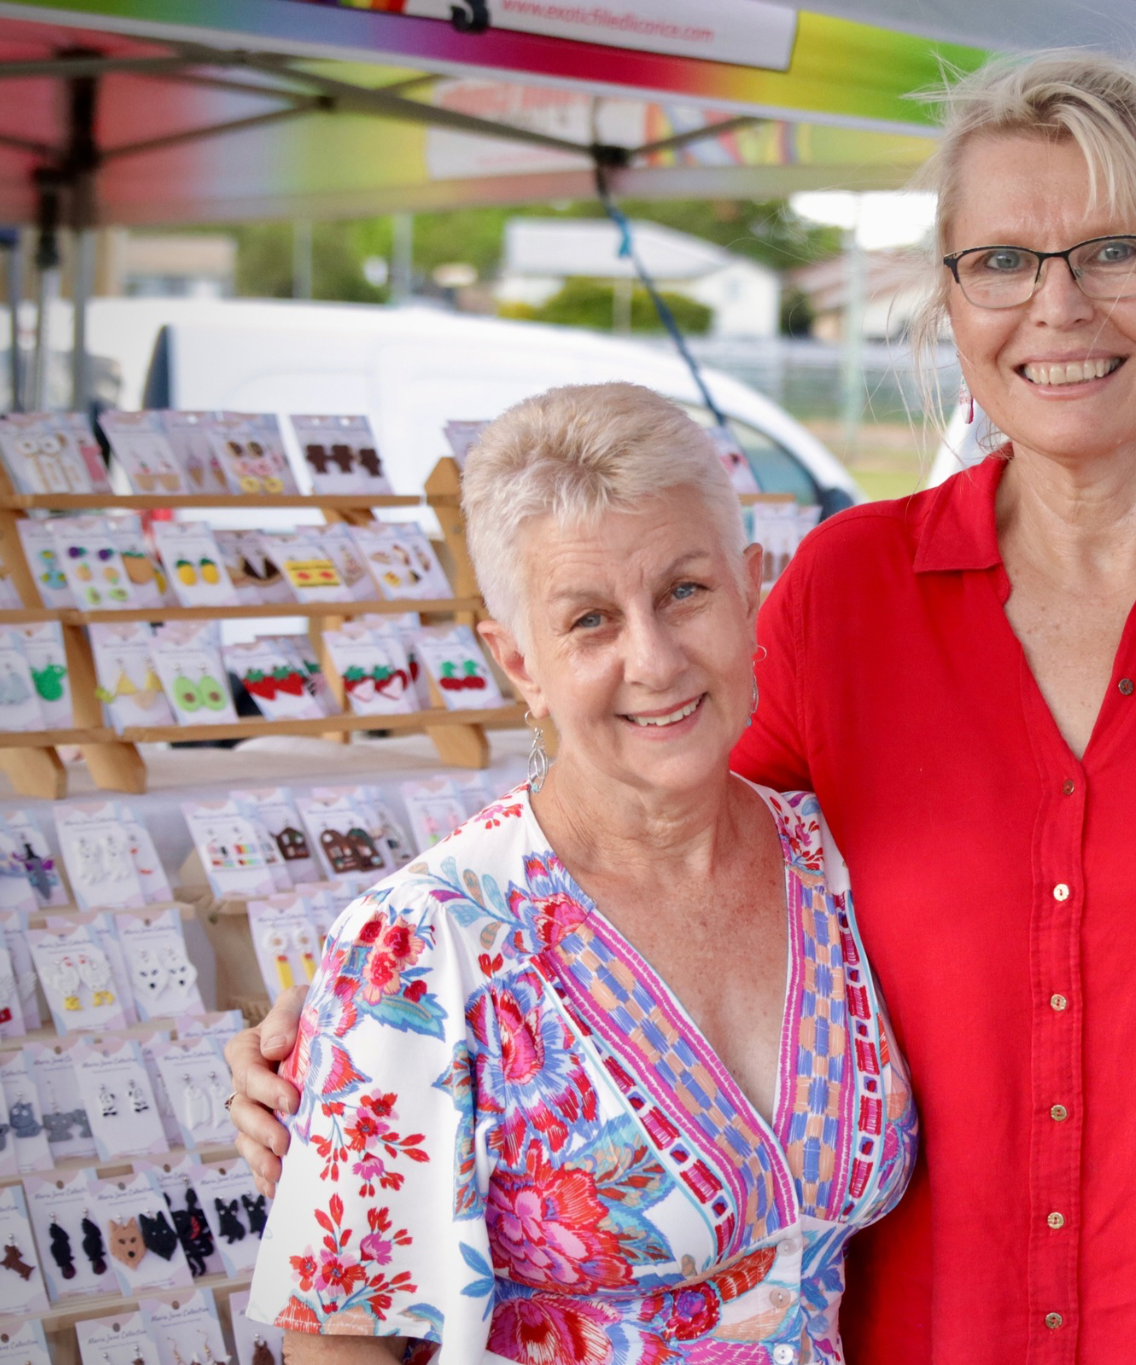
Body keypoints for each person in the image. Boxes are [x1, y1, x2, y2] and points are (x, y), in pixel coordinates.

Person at [233, 51, 1136, 1364]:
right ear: (949, 301)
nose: (1058, 307)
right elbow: (649, 843)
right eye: (1001, 261)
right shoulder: (849, 592)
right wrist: (362, 1022)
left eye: (1117, 250)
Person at [241, 385, 918, 1363]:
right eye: (590, 620)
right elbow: (341, 1344)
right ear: (518, 662)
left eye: (685, 591)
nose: (651, 659)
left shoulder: (834, 866)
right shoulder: (423, 942)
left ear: (750, 591)